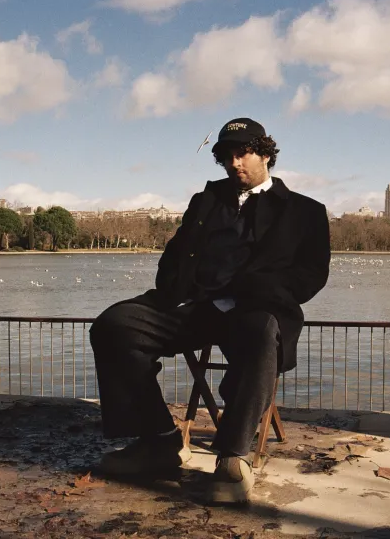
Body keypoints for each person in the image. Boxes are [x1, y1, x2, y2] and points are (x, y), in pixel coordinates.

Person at [89, 117, 330, 503]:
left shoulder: (306, 211)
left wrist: (266, 292)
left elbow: (312, 275)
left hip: (255, 310)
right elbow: (176, 253)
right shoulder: (206, 201)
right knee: (114, 325)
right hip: (195, 307)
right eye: (227, 157)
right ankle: (160, 440)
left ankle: (233, 457)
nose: (234, 163)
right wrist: (174, 288)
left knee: (262, 331)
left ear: (265, 154)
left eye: (243, 153)